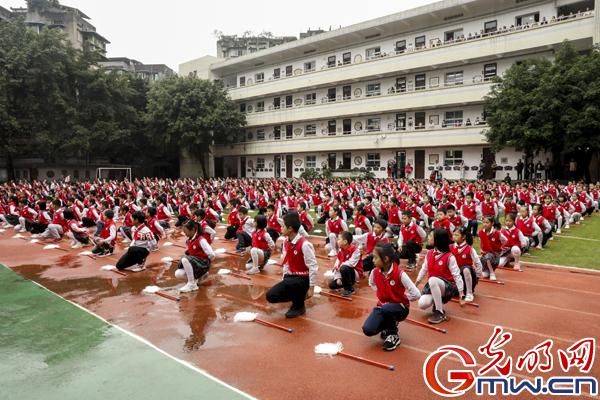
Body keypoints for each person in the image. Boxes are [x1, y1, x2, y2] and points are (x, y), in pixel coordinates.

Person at [362, 243, 420, 351]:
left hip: (400, 307)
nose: (373, 260)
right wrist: (382, 293)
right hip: (383, 306)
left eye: (375, 258)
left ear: (386, 259)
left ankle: (393, 335)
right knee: (368, 329)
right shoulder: (374, 272)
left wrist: (403, 297)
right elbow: (372, 284)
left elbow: (416, 294)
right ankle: (388, 324)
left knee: (387, 309)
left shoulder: (399, 274)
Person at [266, 212, 317, 318]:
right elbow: (287, 262)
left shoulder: (305, 244)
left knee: (293, 283)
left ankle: (299, 305)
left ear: (290, 229)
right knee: (271, 296)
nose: (281, 228)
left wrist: (311, 287)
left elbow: (313, 266)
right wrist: (284, 277)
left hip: (303, 279)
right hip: (291, 277)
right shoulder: (285, 242)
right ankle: (298, 298)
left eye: (283, 226)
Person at [416, 228, 465, 324]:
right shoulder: (429, 253)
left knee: (433, 279)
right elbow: (424, 269)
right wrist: (416, 283)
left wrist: (461, 295)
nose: (428, 237)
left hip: (448, 287)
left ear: (438, 240)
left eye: (430, 236)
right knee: (422, 304)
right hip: (433, 285)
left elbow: (457, 276)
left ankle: (439, 312)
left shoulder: (449, 257)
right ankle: (437, 303)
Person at [175, 220, 215, 292]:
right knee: (178, 273)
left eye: (186, 231)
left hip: (203, 263)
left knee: (185, 259)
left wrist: (207, 265)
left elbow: (211, 254)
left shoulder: (200, 239)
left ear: (193, 229)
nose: (185, 233)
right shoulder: (188, 241)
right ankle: (197, 279)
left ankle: (192, 284)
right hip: (196, 263)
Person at [450, 227, 482, 303]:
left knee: (466, 269)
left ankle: (469, 293)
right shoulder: (450, 247)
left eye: (456, 235)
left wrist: (477, 276)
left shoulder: (469, 249)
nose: (454, 237)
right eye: (453, 234)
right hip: (455, 278)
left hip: (466, 276)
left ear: (463, 237)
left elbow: (478, 263)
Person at [328, 231, 363, 297]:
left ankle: (349, 289)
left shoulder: (355, 250)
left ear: (345, 242)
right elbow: (338, 260)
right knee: (332, 285)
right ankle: (346, 282)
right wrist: (338, 277)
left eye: (338, 239)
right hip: (343, 270)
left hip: (354, 272)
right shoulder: (341, 249)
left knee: (344, 267)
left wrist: (339, 267)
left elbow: (351, 264)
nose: (336, 241)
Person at [478, 216, 506, 281]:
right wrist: (482, 250)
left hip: (494, 255)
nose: (485, 224)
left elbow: (505, 240)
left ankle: (492, 273)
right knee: (484, 275)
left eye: (487, 222)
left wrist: (500, 248)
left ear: (492, 223)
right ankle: (488, 270)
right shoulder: (481, 232)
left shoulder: (497, 233)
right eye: (484, 222)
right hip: (485, 255)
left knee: (488, 256)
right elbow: (482, 243)